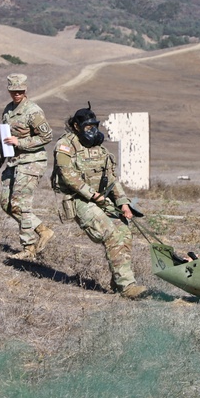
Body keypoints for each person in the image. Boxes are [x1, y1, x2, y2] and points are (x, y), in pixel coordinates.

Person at [52, 103, 147, 300]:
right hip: (79, 200)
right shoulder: (65, 146)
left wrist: (123, 202)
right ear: (76, 126)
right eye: (87, 127)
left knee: (124, 232)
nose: (92, 130)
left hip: (102, 199)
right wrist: (93, 195)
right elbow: (69, 176)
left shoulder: (99, 148)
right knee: (109, 232)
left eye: (94, 126)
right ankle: (127, 286)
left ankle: (118, 281)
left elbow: (112, 179)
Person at [0, 73, 54, 260]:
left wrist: (21, 141)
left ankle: (28, 248)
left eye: (20, 91)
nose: (16, 94)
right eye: (13, 91)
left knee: (21, 204)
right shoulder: (8, 111)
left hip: (32, 162)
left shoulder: (33, 111)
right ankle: (43, 231)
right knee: (7, 204)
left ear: (25, 90)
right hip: (13, 162)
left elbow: (47, 136)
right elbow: (4, 140)